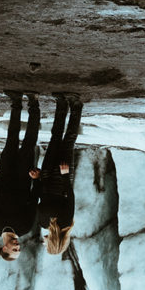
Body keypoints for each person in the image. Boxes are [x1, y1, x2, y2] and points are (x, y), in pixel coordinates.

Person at [0, 92, 40, 260]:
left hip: (5, 177)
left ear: (5, 247)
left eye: (14, 250)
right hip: (23, 178)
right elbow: (33, 201)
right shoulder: (25, 228)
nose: (18, 247)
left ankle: (16, 101)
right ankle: (34, 103)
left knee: (11, 139)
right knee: (29, 141)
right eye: (19, 250)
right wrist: (36, 180)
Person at [35, 94, 82, 255]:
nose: (43, 242)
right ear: (54, 242)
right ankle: (76, 106)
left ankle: (61, 104)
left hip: (47, 176)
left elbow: (41, 197)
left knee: (54, 138)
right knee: (68, 141)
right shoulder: (65, 222)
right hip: (62, 178)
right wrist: (65, 175)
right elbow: (71, 196)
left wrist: (38, 179)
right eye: (46, 245)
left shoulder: (42, 224)